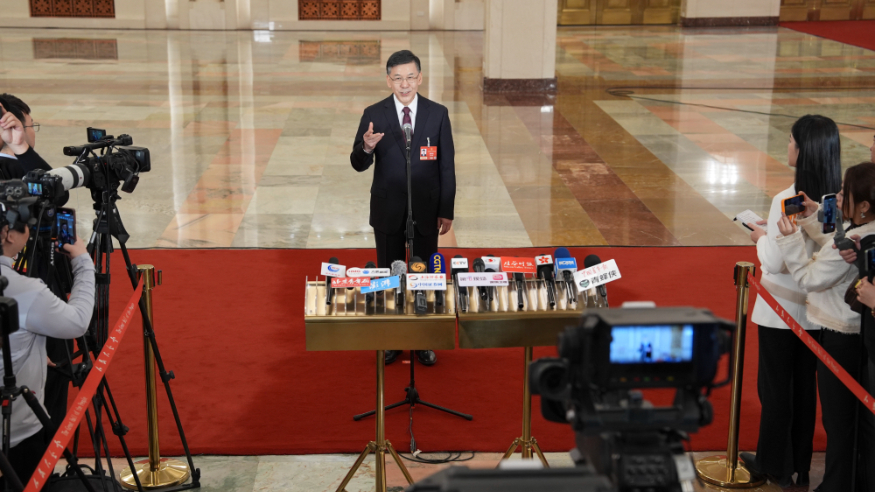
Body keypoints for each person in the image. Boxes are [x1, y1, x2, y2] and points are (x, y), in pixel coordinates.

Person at [742, 115, 842, 487]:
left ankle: (773, 463)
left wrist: (760, 238)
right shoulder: (836, 198)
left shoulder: (787, 199)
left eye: (790, 141)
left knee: (775, 390)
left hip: (780, 311)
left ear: (802, 150)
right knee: (804, 390)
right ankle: (799, 462)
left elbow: (773, 261)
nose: (787, 147)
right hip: (818, 310)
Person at [350, 50, 456, 366]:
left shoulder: (437, 114)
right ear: (388, 80)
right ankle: (392, 338)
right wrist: (366, 147)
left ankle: (422, 340)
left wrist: (446, 208)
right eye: (398, 78)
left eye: (410, 77)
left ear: (420, 78)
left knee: (424, 276)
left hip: (426, 211)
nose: (405, 84)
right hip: (388, 210)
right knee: (390, 275)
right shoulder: (374, 113)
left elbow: (446, 166)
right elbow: (357, 163)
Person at [775, 161, 875, 492]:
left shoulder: (856, 239)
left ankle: (836, 485)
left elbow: (809, 278)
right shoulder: (864, 233)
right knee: (858, 419)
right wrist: (812, 216)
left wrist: (790, 239)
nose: (837, 197)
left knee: (839, 420)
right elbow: (836, 241)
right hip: (860, 334)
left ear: (864, 205)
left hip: (840, 336)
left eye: (845, 193)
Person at [0, 200, 94, 486]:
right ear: (8, 235)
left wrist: (30, 351)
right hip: (16, 430)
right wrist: (83, 262)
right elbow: (77, 322)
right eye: (27, 224)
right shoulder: (24, 289)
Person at [0, 93, 51, 178]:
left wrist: (19, 146)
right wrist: (20, 146)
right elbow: (52, 184)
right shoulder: (24, 174)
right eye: (31, 125)